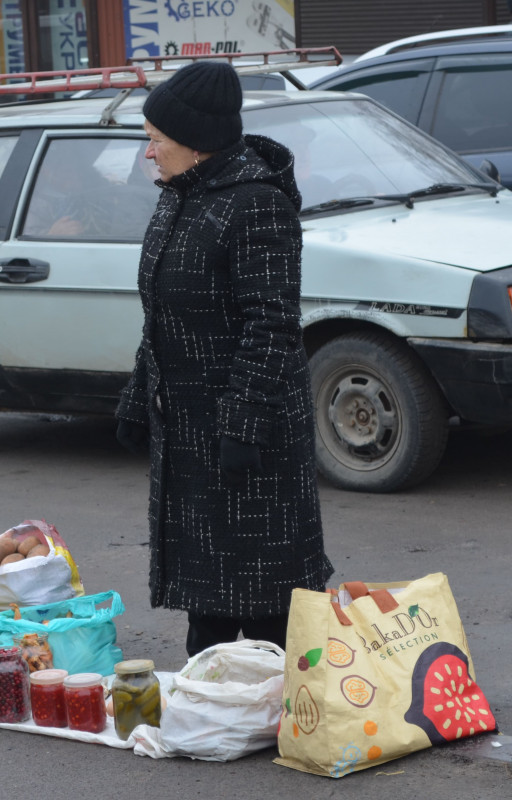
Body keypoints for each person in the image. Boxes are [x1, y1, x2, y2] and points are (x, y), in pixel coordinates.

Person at [115, 60, 334, 657]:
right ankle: (214, 705)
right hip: (188, 428)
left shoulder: (256, 204)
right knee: (207, 597)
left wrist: (240, 428)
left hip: (248, 434)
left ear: (195, 143)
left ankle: (284, 716)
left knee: (265, 601)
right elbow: (162, 312)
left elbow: (271, 326)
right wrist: (139, 398)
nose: (149, 153)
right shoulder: (181, 196)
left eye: (155, 140)